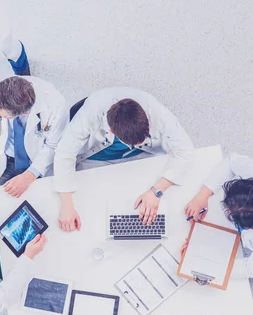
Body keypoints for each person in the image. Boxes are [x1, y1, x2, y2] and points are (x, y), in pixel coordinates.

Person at [53, 88, 195, 232]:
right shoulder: (91, 113)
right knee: (93, 213)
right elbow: (64, 153)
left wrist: (156, 191)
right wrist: (66, 205)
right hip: (97, 159)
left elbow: (186, 151)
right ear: (111, 132)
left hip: (140, 156)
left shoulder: (155, 111)